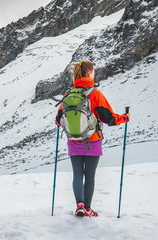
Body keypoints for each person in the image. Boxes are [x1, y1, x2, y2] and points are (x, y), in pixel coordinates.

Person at [55, 60, 130, 217]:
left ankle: (79, 206)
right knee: (90, 175)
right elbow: (109, 118)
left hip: (73, 141)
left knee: (77, 174)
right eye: (93, 72)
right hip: (93, 141)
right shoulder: (95, 94)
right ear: (89, 73)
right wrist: (125, 118)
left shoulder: (68, 94)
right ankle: (88, 208)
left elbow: (58, 119)